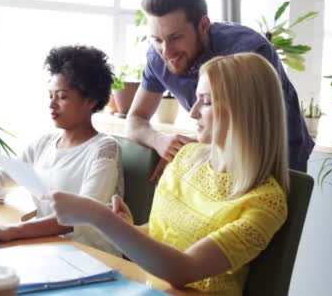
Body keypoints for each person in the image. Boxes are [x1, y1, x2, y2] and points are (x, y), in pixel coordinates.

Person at [51, 53, 289, 295]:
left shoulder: (265, 202)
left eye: (206, 101)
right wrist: (127, 228)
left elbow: (183, 270)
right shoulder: (186, 157)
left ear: (244, 110)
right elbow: (160, 235)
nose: (193, 112)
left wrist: (100, 216)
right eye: (196, 100)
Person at [0, 45, 123, 255]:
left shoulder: (104, 149)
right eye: (50, 95)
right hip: (47, 248)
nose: (52, 105)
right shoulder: (43, 144)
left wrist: (10, 230)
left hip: (89, 257)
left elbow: (83, 215)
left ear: (90, 100)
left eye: (62, 97)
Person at [126, 0, 313, 173]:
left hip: (277, 156)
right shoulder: (158, 58)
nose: (167, 52)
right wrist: (162, 143)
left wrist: (190, 153)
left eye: (175, 38)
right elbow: (135, 121)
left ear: (204, 25)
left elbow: (251, 133)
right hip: (217, 155)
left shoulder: (249, 52)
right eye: (157, 40)